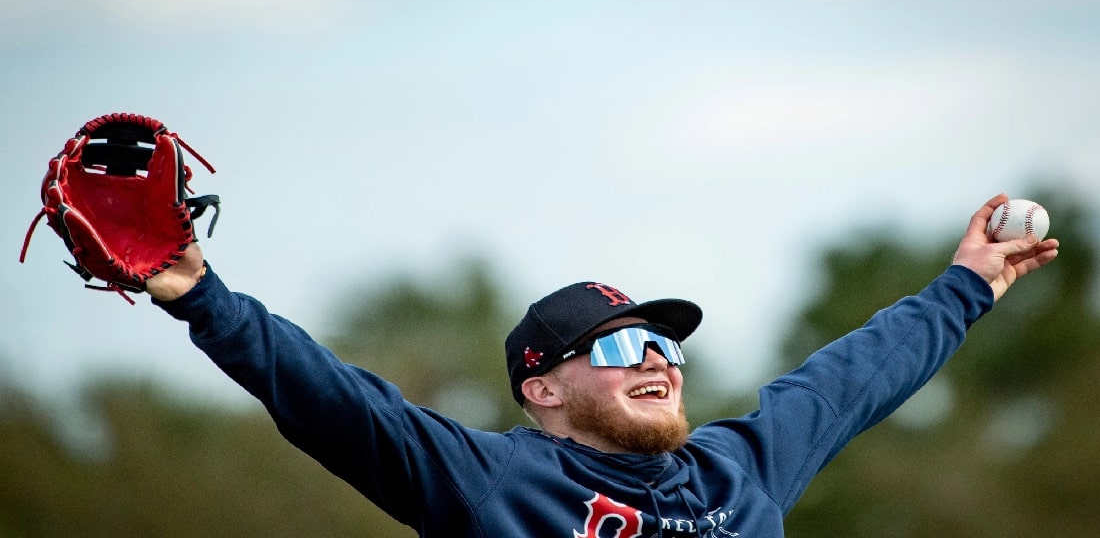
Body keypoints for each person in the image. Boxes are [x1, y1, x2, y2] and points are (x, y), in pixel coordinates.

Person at [147, 194, 1058, 537]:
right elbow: (336, 400)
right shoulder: (497, 484)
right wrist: (202, 297)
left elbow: (855, 375)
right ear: (542, 389)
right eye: (623, 346)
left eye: (664, 344)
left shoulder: (742, 469)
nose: (658, 359)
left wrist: (965, 286)